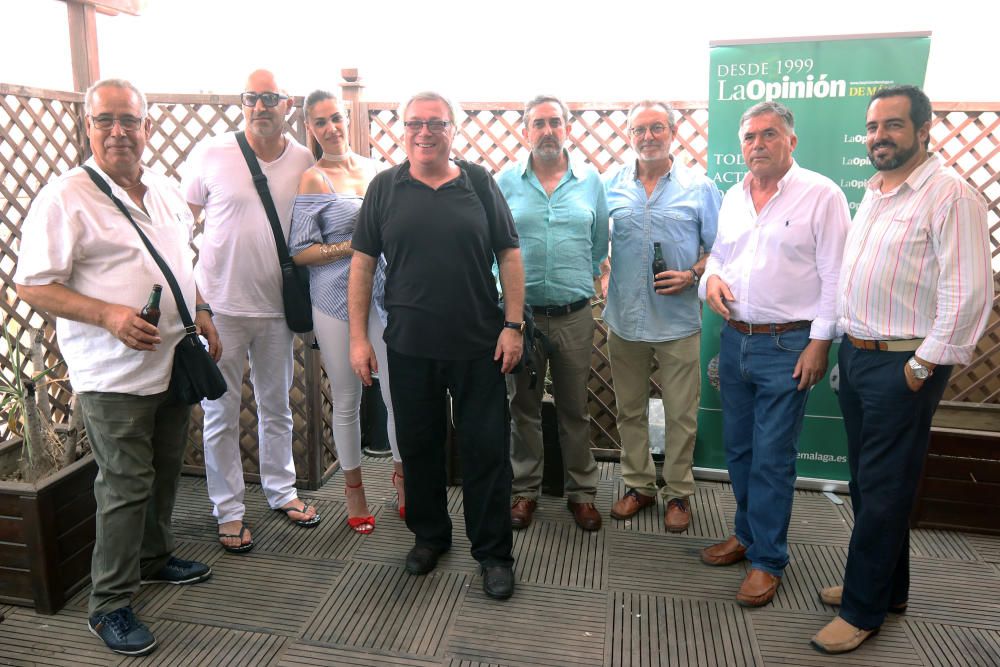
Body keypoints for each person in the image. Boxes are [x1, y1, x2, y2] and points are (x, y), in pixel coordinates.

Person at [15, 78, 218, 656]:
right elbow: (32, 284)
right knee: (125, 484)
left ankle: (152, 558)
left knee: (163, 466)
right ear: (88, 128)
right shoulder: (65, 197)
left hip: (172, 358)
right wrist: (106, 313)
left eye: (129, 120)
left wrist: (200, 309)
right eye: (105, 120)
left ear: (147, 127)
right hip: (113, 372)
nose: (118, 131)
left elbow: (184, 259)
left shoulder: (164, 190)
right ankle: (108, 604)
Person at [811, 85, 993, 654]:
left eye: (892, 125)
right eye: (872, 128)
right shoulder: (876, 191)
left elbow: (968, 294)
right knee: (870, 484)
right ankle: (887, 588)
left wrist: (920, 366)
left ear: (923, 128)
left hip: (903, 365)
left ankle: (863, 610)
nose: (878, 137)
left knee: (885, 489)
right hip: (860, 355)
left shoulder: (950, 195)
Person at [348, 91, 525, 600]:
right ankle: (430, 537)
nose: (425, 132)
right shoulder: (385, 187)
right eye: (414, 124)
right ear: (402, 131)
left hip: (479, 346)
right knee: (420, 448)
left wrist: (513, 325)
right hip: (408, 346)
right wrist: (359, 338)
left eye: (436, 124)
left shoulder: (478, 182)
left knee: (485, 452)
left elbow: (509, 254)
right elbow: (362, 264)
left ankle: (493, 553)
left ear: (454, 130)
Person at [699, 101, 849, 607]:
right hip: (735, 339)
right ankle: (746, 535)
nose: (757, 145)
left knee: (772, 458)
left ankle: (769, 560)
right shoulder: (734, 195)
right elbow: (721, 254)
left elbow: (835, 275)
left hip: (789, 345)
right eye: (749, 137)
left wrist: (820, 343)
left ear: (792, 141)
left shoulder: (821, 194)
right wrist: (710, 278)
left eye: (768, 134)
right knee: (739, 449)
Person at [182, 69, 318, 553]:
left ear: (287, 105)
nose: (261, 106)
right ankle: (229, 510)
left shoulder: (303, 158)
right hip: (220, 309)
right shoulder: (212, 153)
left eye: (270, 98)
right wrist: (195, 301)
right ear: (243, 103)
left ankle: (282, 491)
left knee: (276, 405)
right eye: (252, 98)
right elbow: (184, 223)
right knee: (220, 412)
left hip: (277, 308)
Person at [288, 90, 404, 534]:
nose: (331, 128)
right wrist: (353, 247)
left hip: (386, 298)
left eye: (336, 118)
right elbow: (300, 251)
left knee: (397, 397)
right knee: (347, 400)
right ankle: (354, 490)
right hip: (334, 302)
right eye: (320, 122)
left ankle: (402, 480)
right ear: (310, 129)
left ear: (348, 120)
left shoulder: (379, 172)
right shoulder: (315, 180)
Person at [601, 100, 721, 532]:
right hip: (624, 321)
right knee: (629, 411)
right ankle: (638, 485)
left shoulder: (699, 187)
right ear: (628, 136)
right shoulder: (609, 185)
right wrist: (601, 271)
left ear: (673, 132)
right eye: (639, 130)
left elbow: (720, 252)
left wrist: (692, 274)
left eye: (657, 128)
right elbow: (596, 241)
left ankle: (678, 494)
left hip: (677, 323)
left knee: (681, 415)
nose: (647, 137)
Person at [495, 95, 607, 532]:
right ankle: (525, 492)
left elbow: (598, 244)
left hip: (573, 315)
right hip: (520, 318)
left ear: (568, 128)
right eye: (538, 123)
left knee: (574, 409)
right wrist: (505, 300)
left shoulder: (589, 180)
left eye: (554, 123)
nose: (547, 130)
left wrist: (578, 279)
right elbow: (494, 247)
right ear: (525, 131)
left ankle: (582, 494)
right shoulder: (506, 181)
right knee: (522, 406)